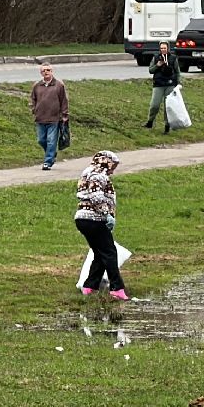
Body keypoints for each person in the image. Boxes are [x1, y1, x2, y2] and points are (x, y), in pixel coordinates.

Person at [74, 149, 129, 300]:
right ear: (106, 162)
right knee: (110, 253)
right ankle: (117, 288)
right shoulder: (97, 175)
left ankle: (89, 286)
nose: (112, 170)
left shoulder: (88, 172)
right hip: (94, 219)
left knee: (100, 253)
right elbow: (96, 196)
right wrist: (106, 214)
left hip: (83, 219)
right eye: (112, 166)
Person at [30, 63, 69, 170]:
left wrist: (64, 115)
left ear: (52, 71)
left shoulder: (59, 85)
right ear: (41, 73)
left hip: (54, 118)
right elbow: (33, 99)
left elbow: (64, 101)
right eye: (43, 71)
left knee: (51, 140)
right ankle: (51, 153)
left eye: (48, 70)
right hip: (40, 118)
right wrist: (34, 110)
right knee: (41, 140)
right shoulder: (37, 85)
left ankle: (48, 161)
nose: (46, 72)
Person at [145, 43, 180, 134]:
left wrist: (178, 83)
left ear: (168, 48)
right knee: (154, 105)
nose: (163, 50)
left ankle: (167, 126)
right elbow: (150, 70)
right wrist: (158, 65)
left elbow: (177, 71)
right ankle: (150, 121)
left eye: (164, 48)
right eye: (161, 48)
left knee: (167, 106)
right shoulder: (156, 57)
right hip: (158, 84)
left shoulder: (173, 58)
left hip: (170, 84)